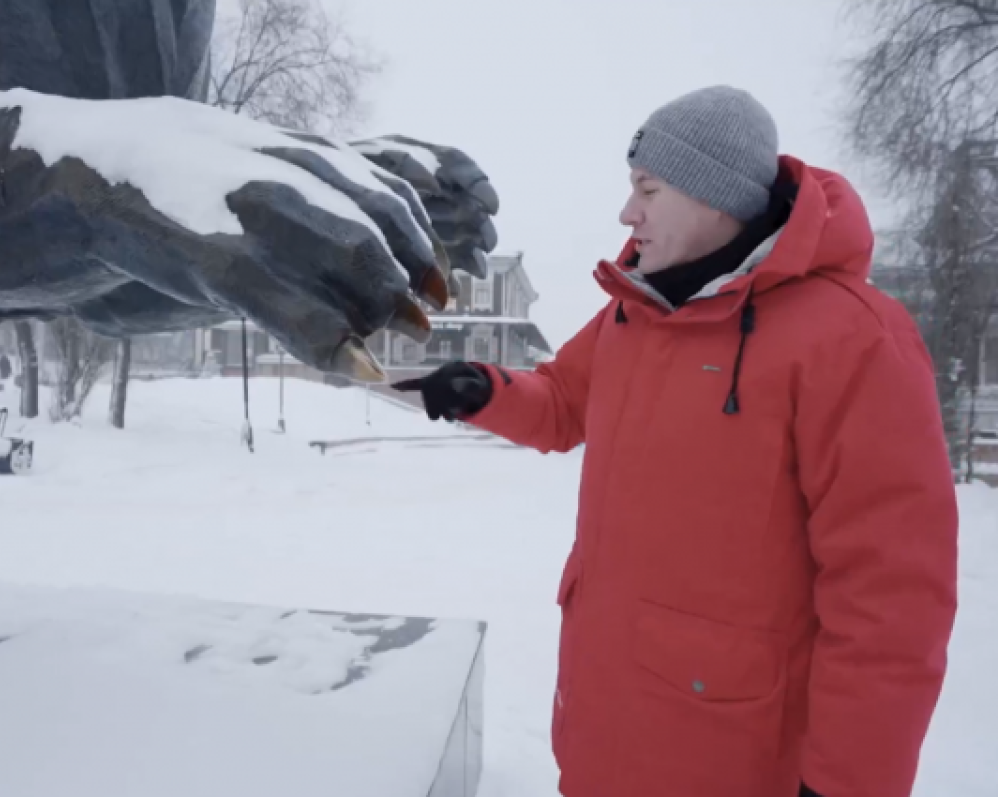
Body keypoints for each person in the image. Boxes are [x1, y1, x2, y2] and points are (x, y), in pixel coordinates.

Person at [393, 86, 959, 797]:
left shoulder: (854, 340)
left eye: (647, 189)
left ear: (714, 197)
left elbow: (892, 597)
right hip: (606, 731)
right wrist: (482, 389)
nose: (628, 213)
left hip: (732, 761)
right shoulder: (636, 313)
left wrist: (849, 784)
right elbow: (565, 399)